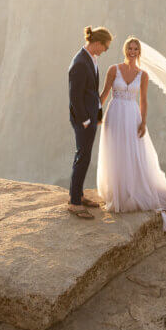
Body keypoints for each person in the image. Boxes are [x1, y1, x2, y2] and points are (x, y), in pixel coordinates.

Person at [96, 35, 166, 231]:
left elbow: (143, 101)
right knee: (115, 152)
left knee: (133, 154)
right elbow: (105, 93)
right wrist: (95, 113)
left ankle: (131, 191)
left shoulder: (143, 75)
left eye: (135, 49)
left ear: (139, 52)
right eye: (129, 48)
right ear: (125, 50)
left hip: (132, 117)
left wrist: (143, 122)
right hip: (114, 115)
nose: (132, 52)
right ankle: (118, 193)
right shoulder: (113, 69)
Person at [67, 25, 113, 218]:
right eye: (106, 47)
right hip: (83, 120)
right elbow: (75, 97)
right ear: (96, 43)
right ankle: (75, 203)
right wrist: (86, 120)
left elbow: (92, 93)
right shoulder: (79, 63)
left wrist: (98, 116)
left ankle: (78, 194)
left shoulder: (90, 59)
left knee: (84, 157)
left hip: (91, 117)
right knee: (82, 157)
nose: (105, 51)